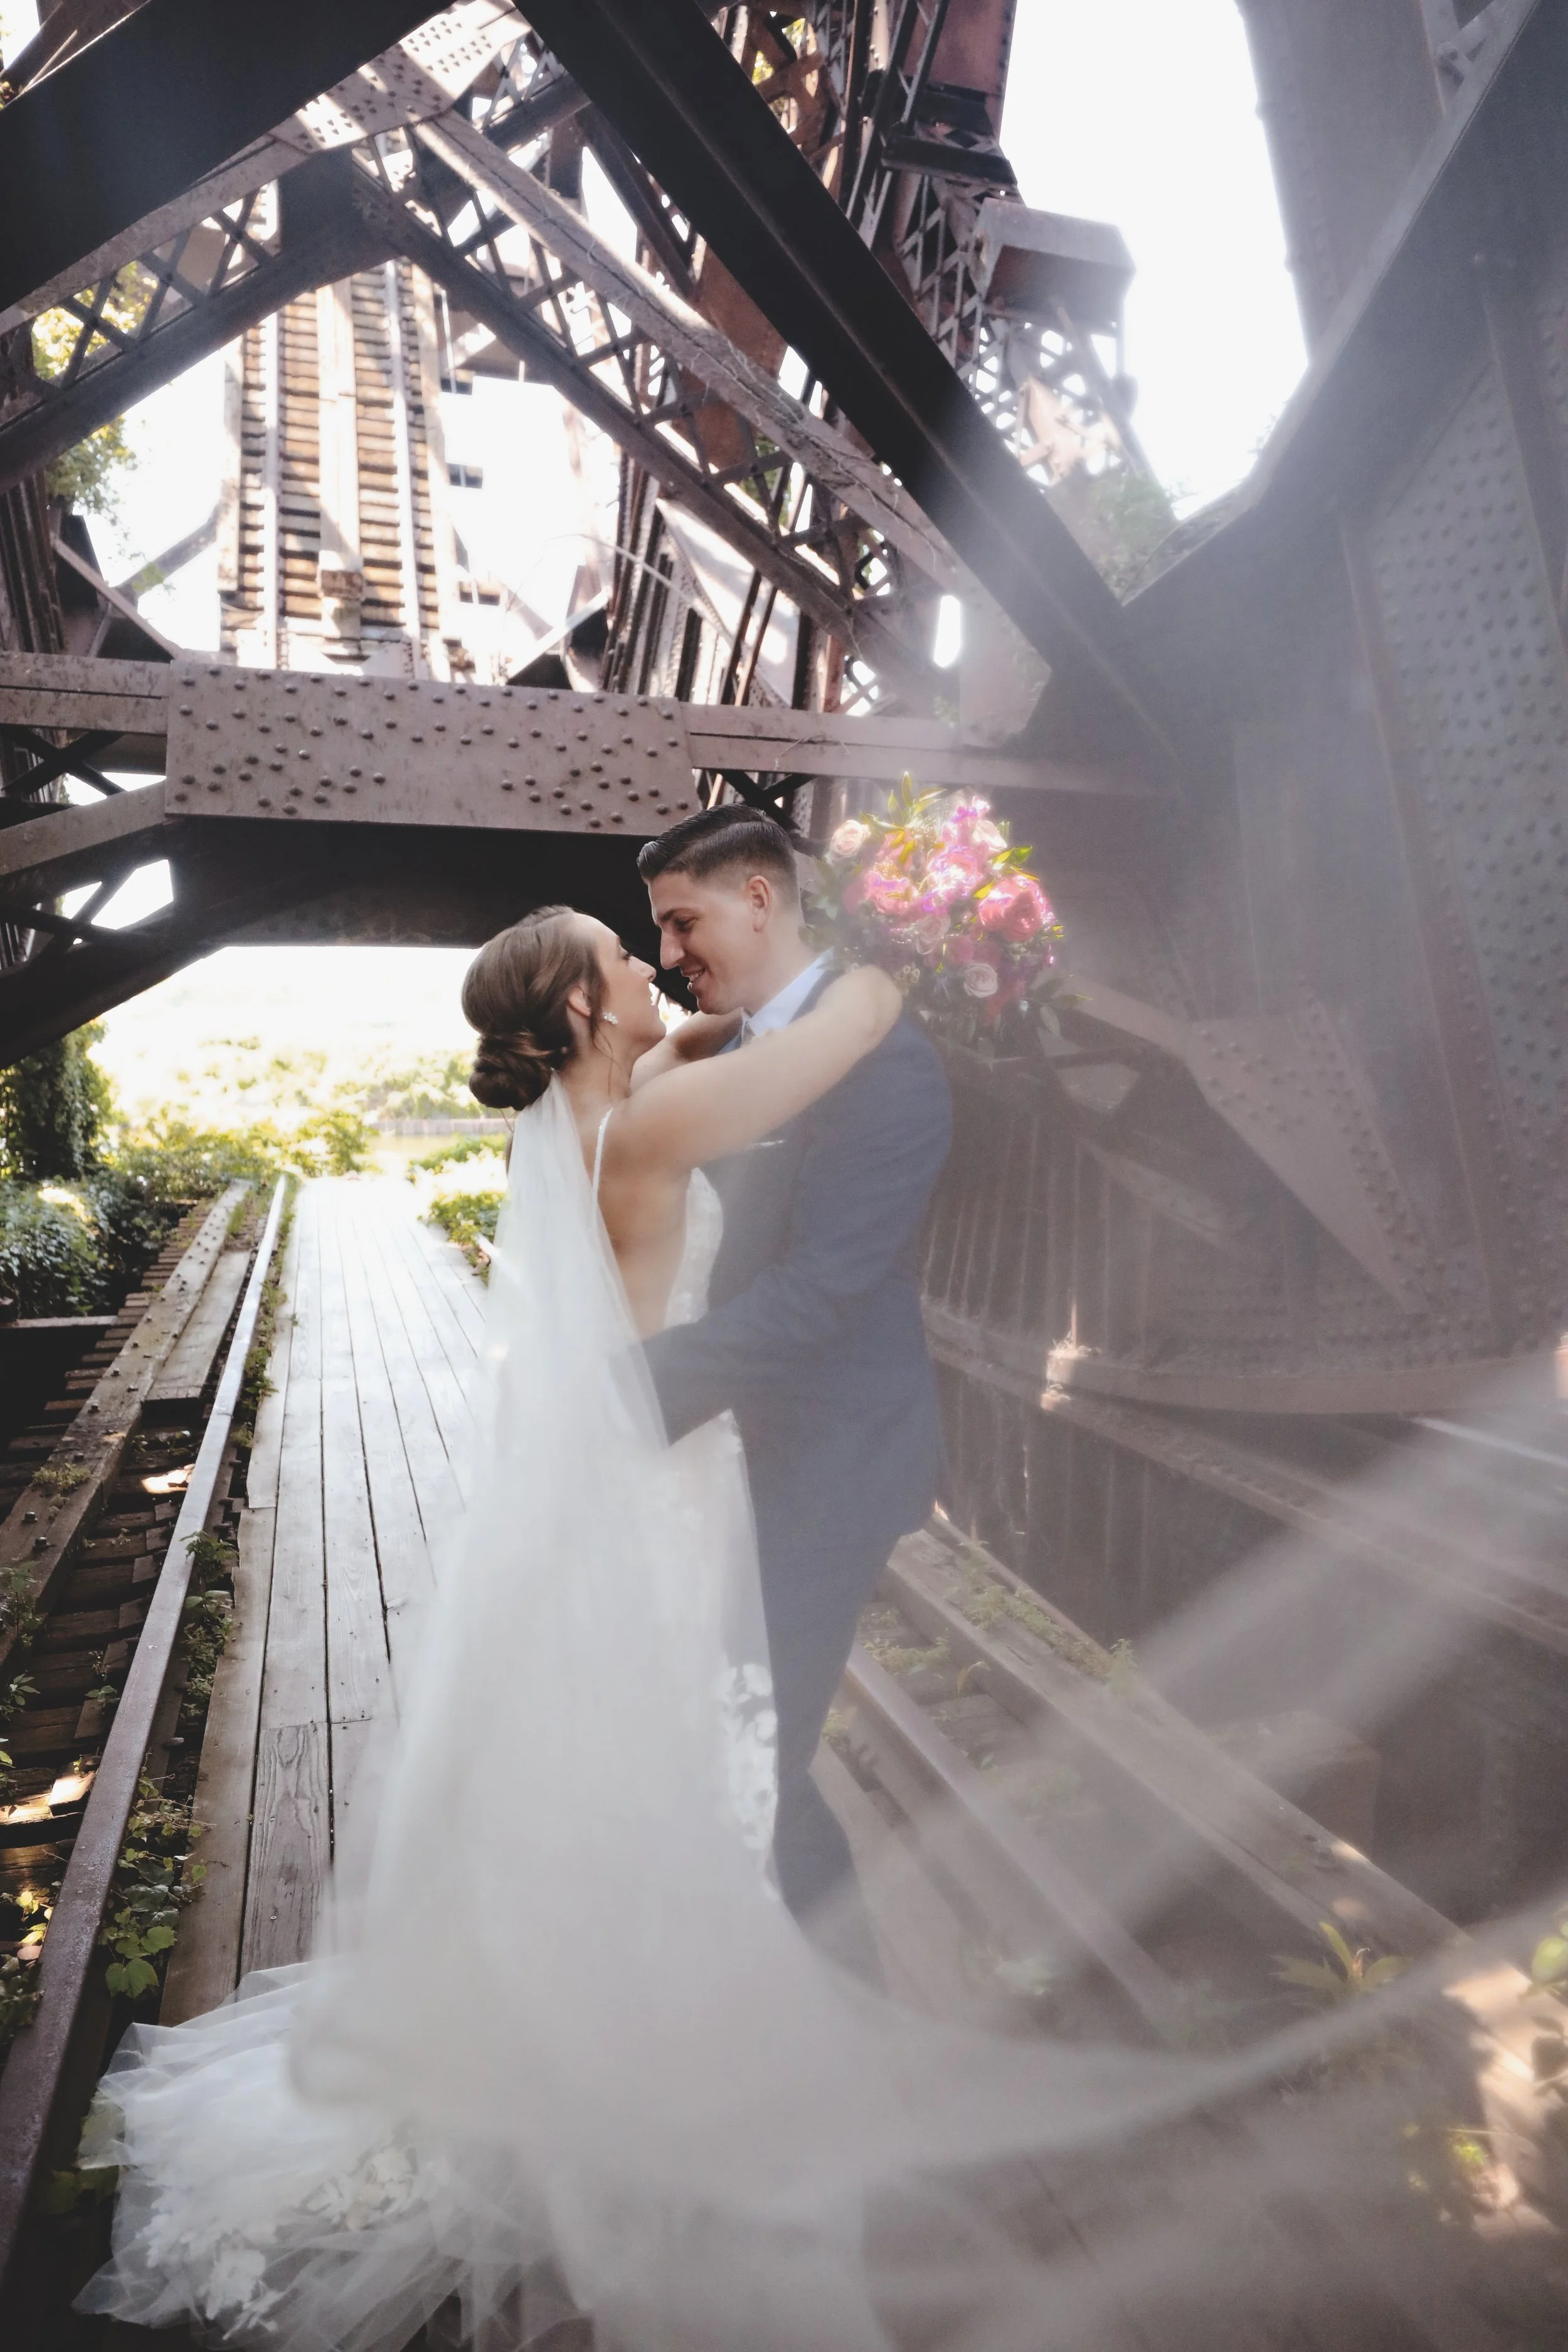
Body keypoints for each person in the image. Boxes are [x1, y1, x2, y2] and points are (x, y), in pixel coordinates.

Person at [635, 806, 952, 1975]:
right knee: (729, 1737)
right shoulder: (730, 1049)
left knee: (755, 1753)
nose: (672, 955)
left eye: (684, 920)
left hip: (832, 1461)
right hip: (731, 1452)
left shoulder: (886, 1058)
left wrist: (626, 1393)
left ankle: (854, 2035)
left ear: (759, 898)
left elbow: (819, 1296)